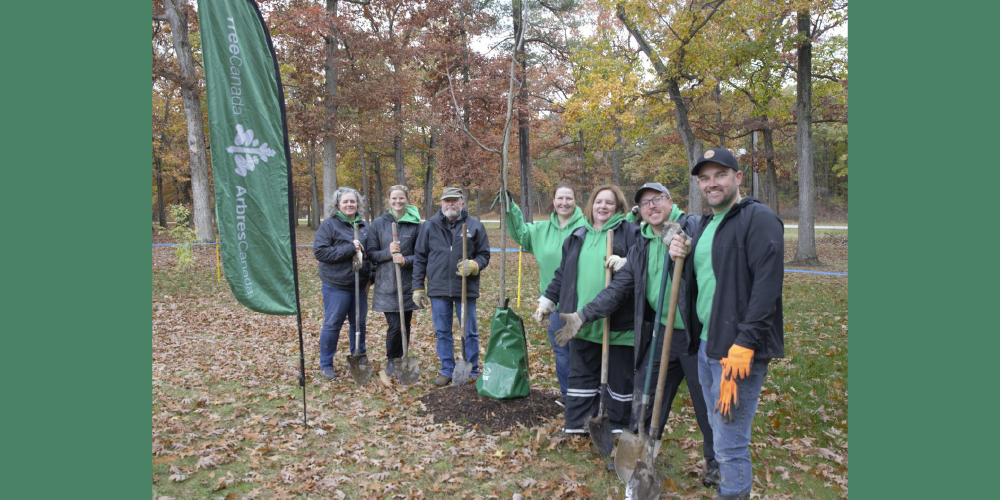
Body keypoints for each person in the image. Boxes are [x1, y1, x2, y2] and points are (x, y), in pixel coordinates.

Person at [559, 183, 719, 486]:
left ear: (670, 202)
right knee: (643, 397)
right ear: (639, 211)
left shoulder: (692, 226)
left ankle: (716, 462)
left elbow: (706, 233)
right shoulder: (641, 246)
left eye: (657, 199)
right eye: (645, 203)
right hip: (661, 336)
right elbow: (617, 290)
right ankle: (635, 459)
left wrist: (685, 239)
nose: (652, 206)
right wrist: (582, 316)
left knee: (705, 404)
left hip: (695, 338)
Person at [669, 147, 785, 500]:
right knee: (719, 438)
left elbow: (767, 289)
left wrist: (746, 345)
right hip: (707, 345)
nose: (711, 184)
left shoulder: (759, 218)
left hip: (737, 353)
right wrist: (677, 253)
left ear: (738, 178)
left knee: (730, 443)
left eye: (720, 175)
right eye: (705, 178)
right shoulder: (705, 226)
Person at [539, 185, 638, 435]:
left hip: (617, 323)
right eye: (598, 202)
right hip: (580, 321)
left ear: (618, 207)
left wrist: (628, 264)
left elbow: (644, 263)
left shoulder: (629, 233)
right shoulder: (578, 235)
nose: (603, 207)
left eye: (609, 203)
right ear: (591, 205)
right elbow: (563, 274)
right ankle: (578, 425)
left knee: (618, 380)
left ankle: (617, 428)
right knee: (581, 377)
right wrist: (548, 301)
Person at [505, 183, 586, 406]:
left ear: (575, 200)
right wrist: (509, 207)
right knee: (562, 351)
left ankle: (587, 396)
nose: (564, 203)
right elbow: (521, 232)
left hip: (583, 301)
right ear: (553, 200)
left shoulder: (587, 226)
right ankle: (569, 396)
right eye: (560, 198)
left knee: (583, 350)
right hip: (552, 301)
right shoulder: (541, 230)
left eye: (569, 198)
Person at [411, 187, 491, 386]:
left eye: (454, 200)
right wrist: (418, 287)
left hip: (465, 288)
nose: (451, 204)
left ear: (462, 203)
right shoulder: (429, 226)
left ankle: (471, 368)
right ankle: (447, 369)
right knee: (442, 331)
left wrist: (474, 265)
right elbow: (420, 258)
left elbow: (484, 255)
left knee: (469, 330)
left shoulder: (474, 226)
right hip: (438, 289)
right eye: (447, 201)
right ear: (441, 203)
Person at [313, 187, 375, 380]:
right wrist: (349, 248)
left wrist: (371, 277)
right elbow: (321, 252)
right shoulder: (329, 226)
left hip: (360, 286)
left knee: (359, 324)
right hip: (336, 285)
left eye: (353, 202)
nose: (350, 205)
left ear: (358, 205)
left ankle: (359, 358)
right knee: (333, 324)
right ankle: (326, 364)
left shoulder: (364, 227)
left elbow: (371, 255)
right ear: (338, 205)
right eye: (345, 202)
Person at [368, 185, 422, 376]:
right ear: (388, 200)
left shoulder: (416, 224)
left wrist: (406, 260)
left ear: (407, 199)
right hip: (387, 284)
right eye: (394, 198)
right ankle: (392, 358)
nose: (397, 202)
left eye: (401, 198)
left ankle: (402, 358)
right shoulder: (378, 224)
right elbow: (372, 254)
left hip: (408, 283)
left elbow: (422, 255)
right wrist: (388, 252)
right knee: (395, 325)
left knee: (405, 325)